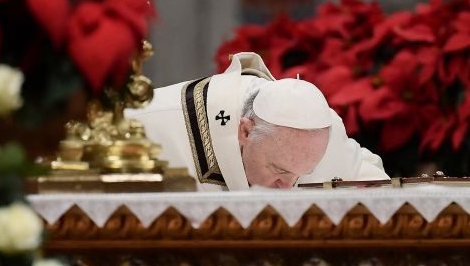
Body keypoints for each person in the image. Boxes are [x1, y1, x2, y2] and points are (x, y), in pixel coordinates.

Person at [125, 52, 389, 191]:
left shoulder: (319, 132)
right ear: (245, 131)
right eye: (280, 171)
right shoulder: (148, 126)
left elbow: (375, 188)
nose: (287, 189)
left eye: (300, 176)